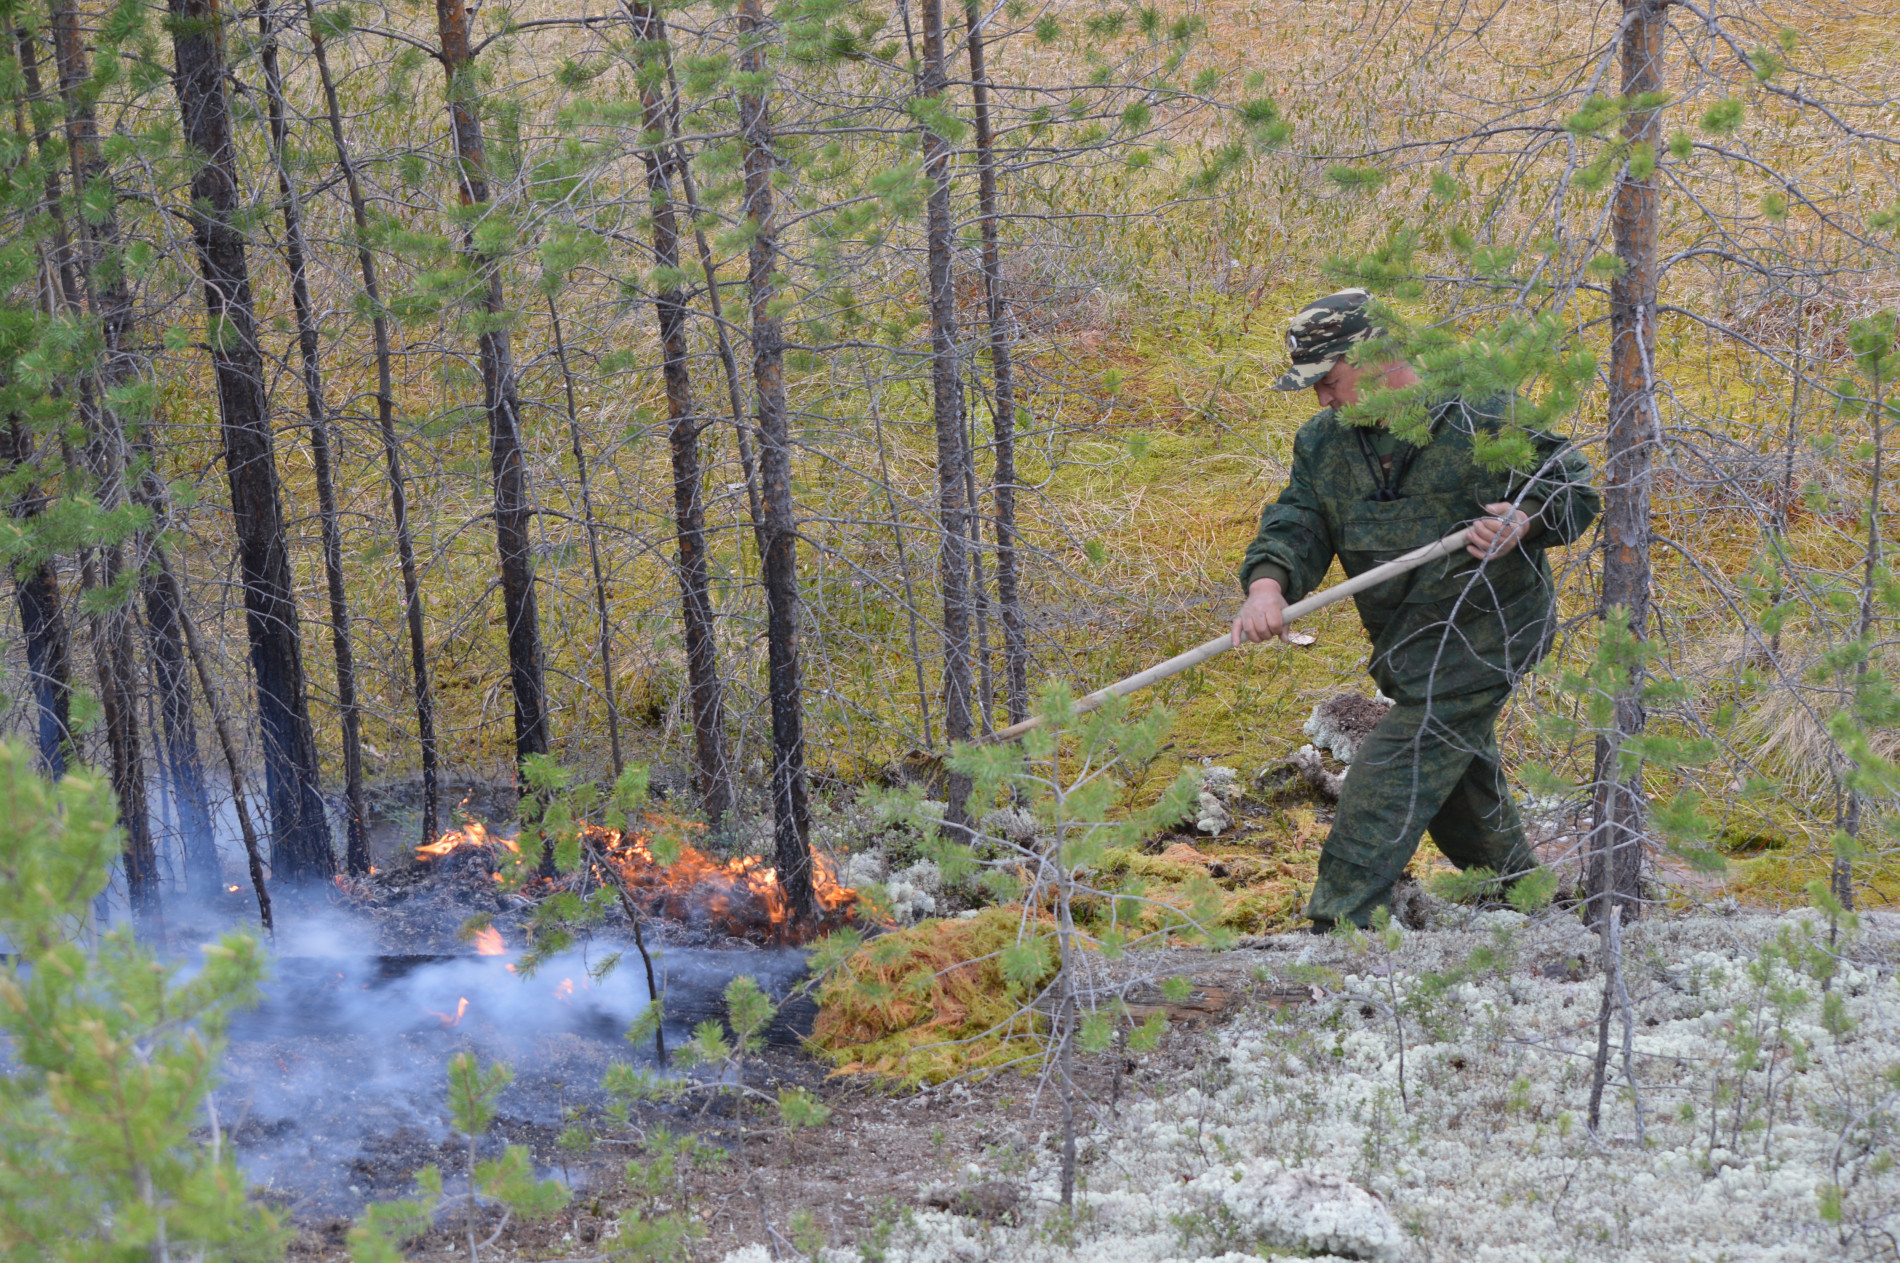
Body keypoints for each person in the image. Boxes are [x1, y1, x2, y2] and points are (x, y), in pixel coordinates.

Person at [1233, 289, 1600, 929]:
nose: (1323, 398)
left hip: (1493, 627)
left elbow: (1572, 484)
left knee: (1394, 766)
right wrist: (1268, 584)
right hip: (1408, 639)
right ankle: (1527, 900)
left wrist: (1524, 519)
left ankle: (1340, 927)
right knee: (1461, 779)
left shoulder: (1483, 415)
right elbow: (1298, 519)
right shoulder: (1323, 442)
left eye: (1330, 381)